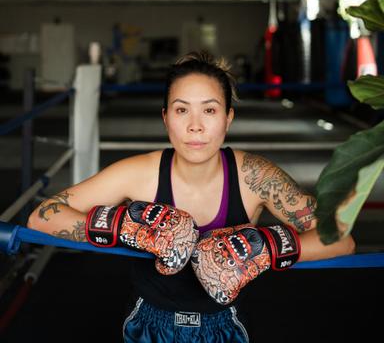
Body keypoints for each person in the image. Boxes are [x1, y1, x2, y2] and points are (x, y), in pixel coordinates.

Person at [27, 51, 355, 342]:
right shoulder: (138, 172)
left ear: (228, 118)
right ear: (166, 117)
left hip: (226, 324)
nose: (195, 126)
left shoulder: (255, 177)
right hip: (147, 323)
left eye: (209, 111)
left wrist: (266, 247)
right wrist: (124, 228)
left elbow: (341, 239)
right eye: (182, 110)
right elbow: (43, 216)